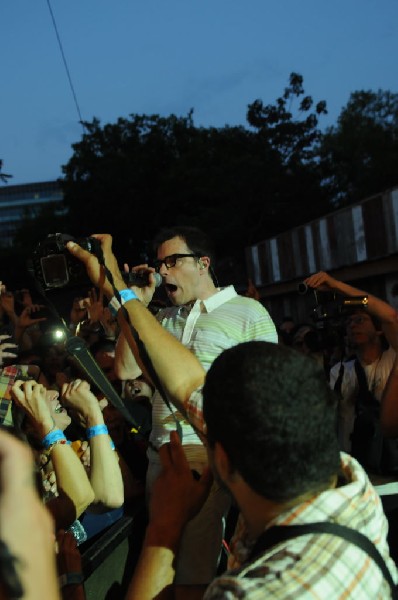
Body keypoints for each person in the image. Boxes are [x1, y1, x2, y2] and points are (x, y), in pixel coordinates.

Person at [126, 342, 398, 599]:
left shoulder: (253, 593)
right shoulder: (353, 488)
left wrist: (164, 528)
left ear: (223, 460)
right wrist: (126, 299)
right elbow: (188, 388)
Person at [113, 226, 278, 591]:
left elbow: (265, 390)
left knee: (192, 569)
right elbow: (125, 370)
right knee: (159, 557)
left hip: (207, 454)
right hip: (160, 455)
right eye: (160, 264)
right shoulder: (163, 318)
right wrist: (135, 303)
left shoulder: (248, 312)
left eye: (172, 261)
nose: (163, 271)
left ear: (203, 263)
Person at [304, 271, 398, 465]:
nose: (352, 326)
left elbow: (390, 316)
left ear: (379, 329)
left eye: (360, 320)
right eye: (348, 322)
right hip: (353, 467)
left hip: (390, 465)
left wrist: (337, 286)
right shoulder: (339, 371)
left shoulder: (394, 358)